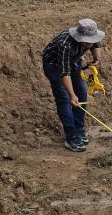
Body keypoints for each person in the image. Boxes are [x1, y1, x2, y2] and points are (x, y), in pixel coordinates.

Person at [41, 18, 105, 152]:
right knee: (64, 98)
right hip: (54, 66)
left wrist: (97, 59)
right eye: (88, 41)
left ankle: (79, 130)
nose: (90, 42)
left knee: (82, 91)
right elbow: (64, 72)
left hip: (73, 61)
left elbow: (96, 44)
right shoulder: (65, 44)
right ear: (80, 37)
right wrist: (72, 95)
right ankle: (71, 137)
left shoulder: (90, 38)